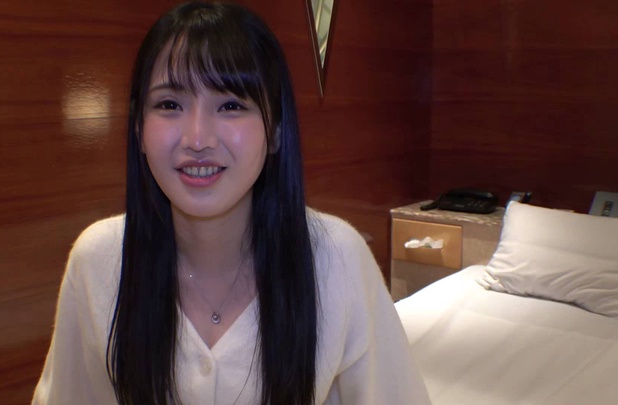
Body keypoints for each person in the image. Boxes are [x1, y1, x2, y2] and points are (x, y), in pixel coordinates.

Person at [32, 2, 431, 404]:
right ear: (138, 129)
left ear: (275, 131)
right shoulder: (98, 261)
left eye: (231, 105)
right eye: (169, 105)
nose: (197, 139)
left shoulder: (336, 259)